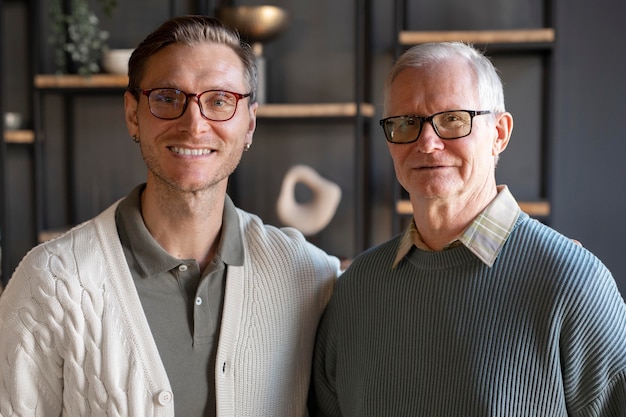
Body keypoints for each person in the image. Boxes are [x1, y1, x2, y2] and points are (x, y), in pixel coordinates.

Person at [0, 16, 342, 417]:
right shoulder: (53, 281)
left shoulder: (309, 277)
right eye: (167, 97)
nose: (194, 124)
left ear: (249, 122)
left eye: (219, 100)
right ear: (133, 115)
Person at [310, 42, 626, 416]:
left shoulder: (573, 284)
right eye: (406, 123)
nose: (427, 143)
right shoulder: (356, 290)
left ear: (499, 133)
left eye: (453, 119)